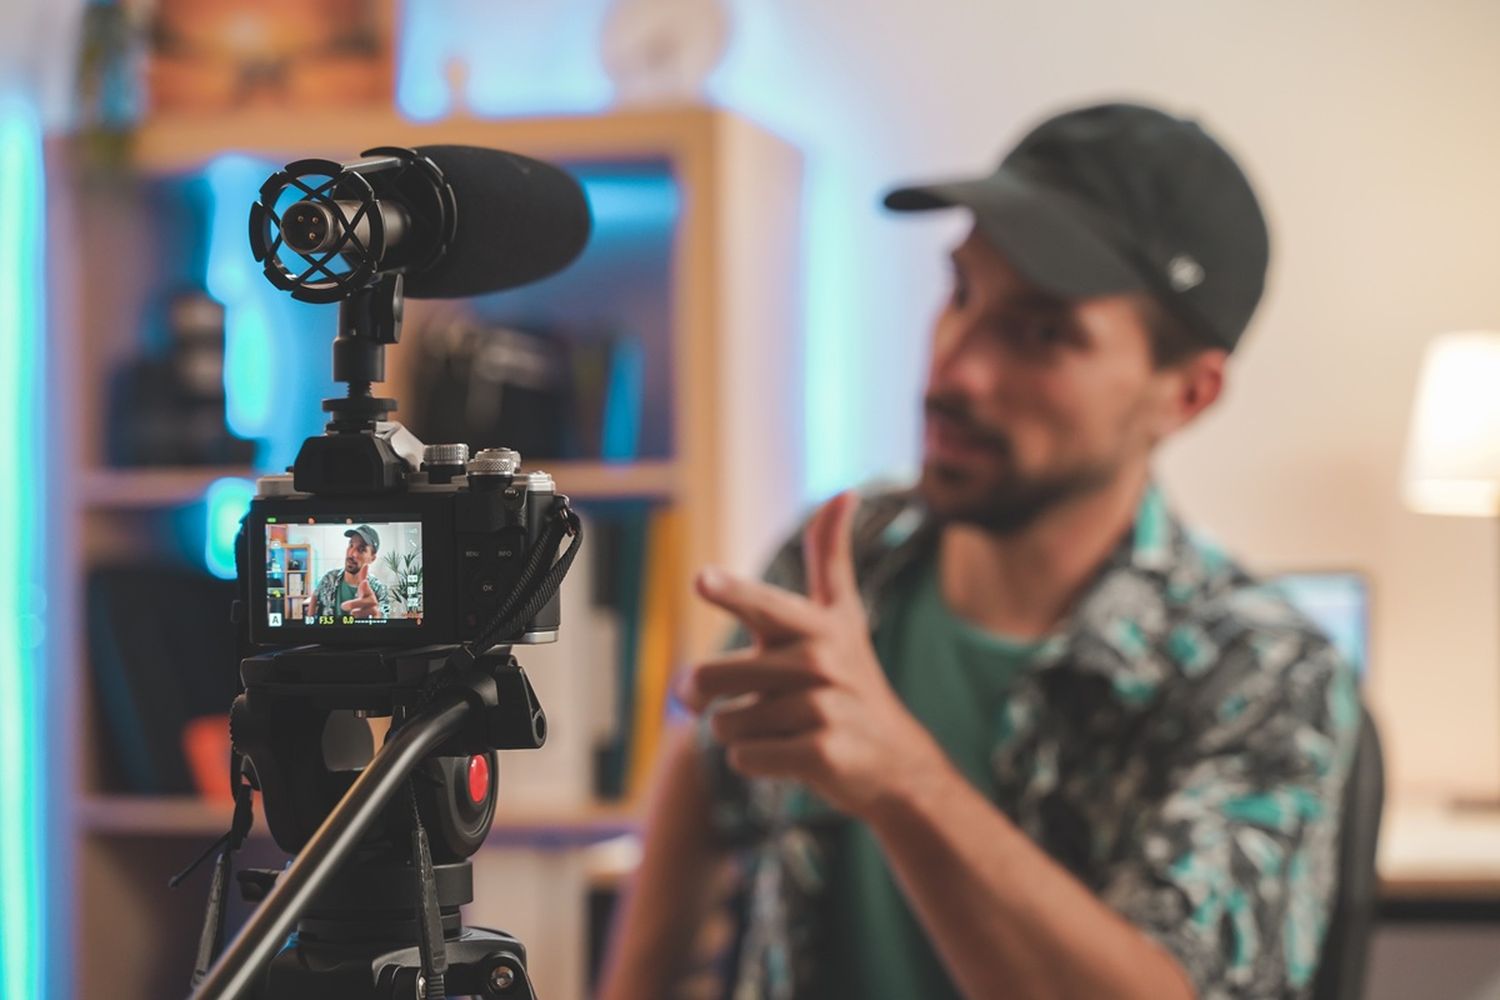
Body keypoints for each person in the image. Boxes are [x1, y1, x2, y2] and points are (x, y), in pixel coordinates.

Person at [598, 101, 1360, 1000]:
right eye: (961, 293)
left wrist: (903, 778)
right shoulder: (849, 556)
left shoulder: (1263, 673)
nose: (955, 369)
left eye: (1042, 333)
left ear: (1185, 394)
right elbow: (706, 764)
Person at [307, 524, 390, 621]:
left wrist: (376, 618)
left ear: (372, 558)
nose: (351, 554)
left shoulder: (379, 590)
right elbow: (315, 596)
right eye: (351, 545)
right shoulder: (329, 578)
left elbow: (384, 616)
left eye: (361, 549)